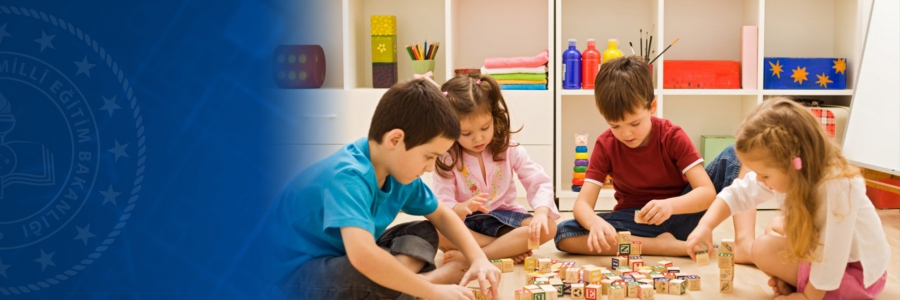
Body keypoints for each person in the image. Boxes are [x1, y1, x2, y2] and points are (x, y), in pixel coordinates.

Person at [271, 78, 501, 300]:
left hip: (347, 254)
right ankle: (427, 282)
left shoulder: (400, 172)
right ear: (395, 140)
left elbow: (441, 214)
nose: (430, 168)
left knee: (426, 231)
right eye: (428, 157)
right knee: (369, 266)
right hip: (294, 273)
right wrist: (433, 292)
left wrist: (478, 258)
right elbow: (363, 257)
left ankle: (398, 285)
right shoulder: (347, 177)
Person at [685, 98, 889, 300]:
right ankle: (799, 281)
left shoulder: (837, 188)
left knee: (763, 248)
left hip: (857, 273)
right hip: (823, 255)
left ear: (792, 163)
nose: (758, 179)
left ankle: (809, 288)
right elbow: (737, 194)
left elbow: (831, 256)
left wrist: (808, 297)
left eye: (764, 175)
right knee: (772, 231)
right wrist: (706, 226)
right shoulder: (791, 171)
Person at [555, 55, 756, 259]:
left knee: (741, 153)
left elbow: (706, 193)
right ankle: (669, 247)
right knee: (564, 233)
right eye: (615, 126)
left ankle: (745, 244)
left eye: (634, 123)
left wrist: (669, 206)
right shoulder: (605, 144)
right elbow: (582, 205)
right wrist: (595, 223)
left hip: (683, 213)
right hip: (637, 222)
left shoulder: (671, 135)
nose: (626, 134)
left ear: (652, 106)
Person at [432, 74, 560, 264]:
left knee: (548, 227)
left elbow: (537, 180)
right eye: (466, 133)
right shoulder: (447, 157)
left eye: (485, 127)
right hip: (467, 222)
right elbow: (442, 201)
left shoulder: (509, 148)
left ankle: (476, 255)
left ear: (494, 116)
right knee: (437, 232)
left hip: (505, 217)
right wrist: (459, 208)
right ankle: (503, 249)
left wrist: (540, 213)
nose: (478, 139)